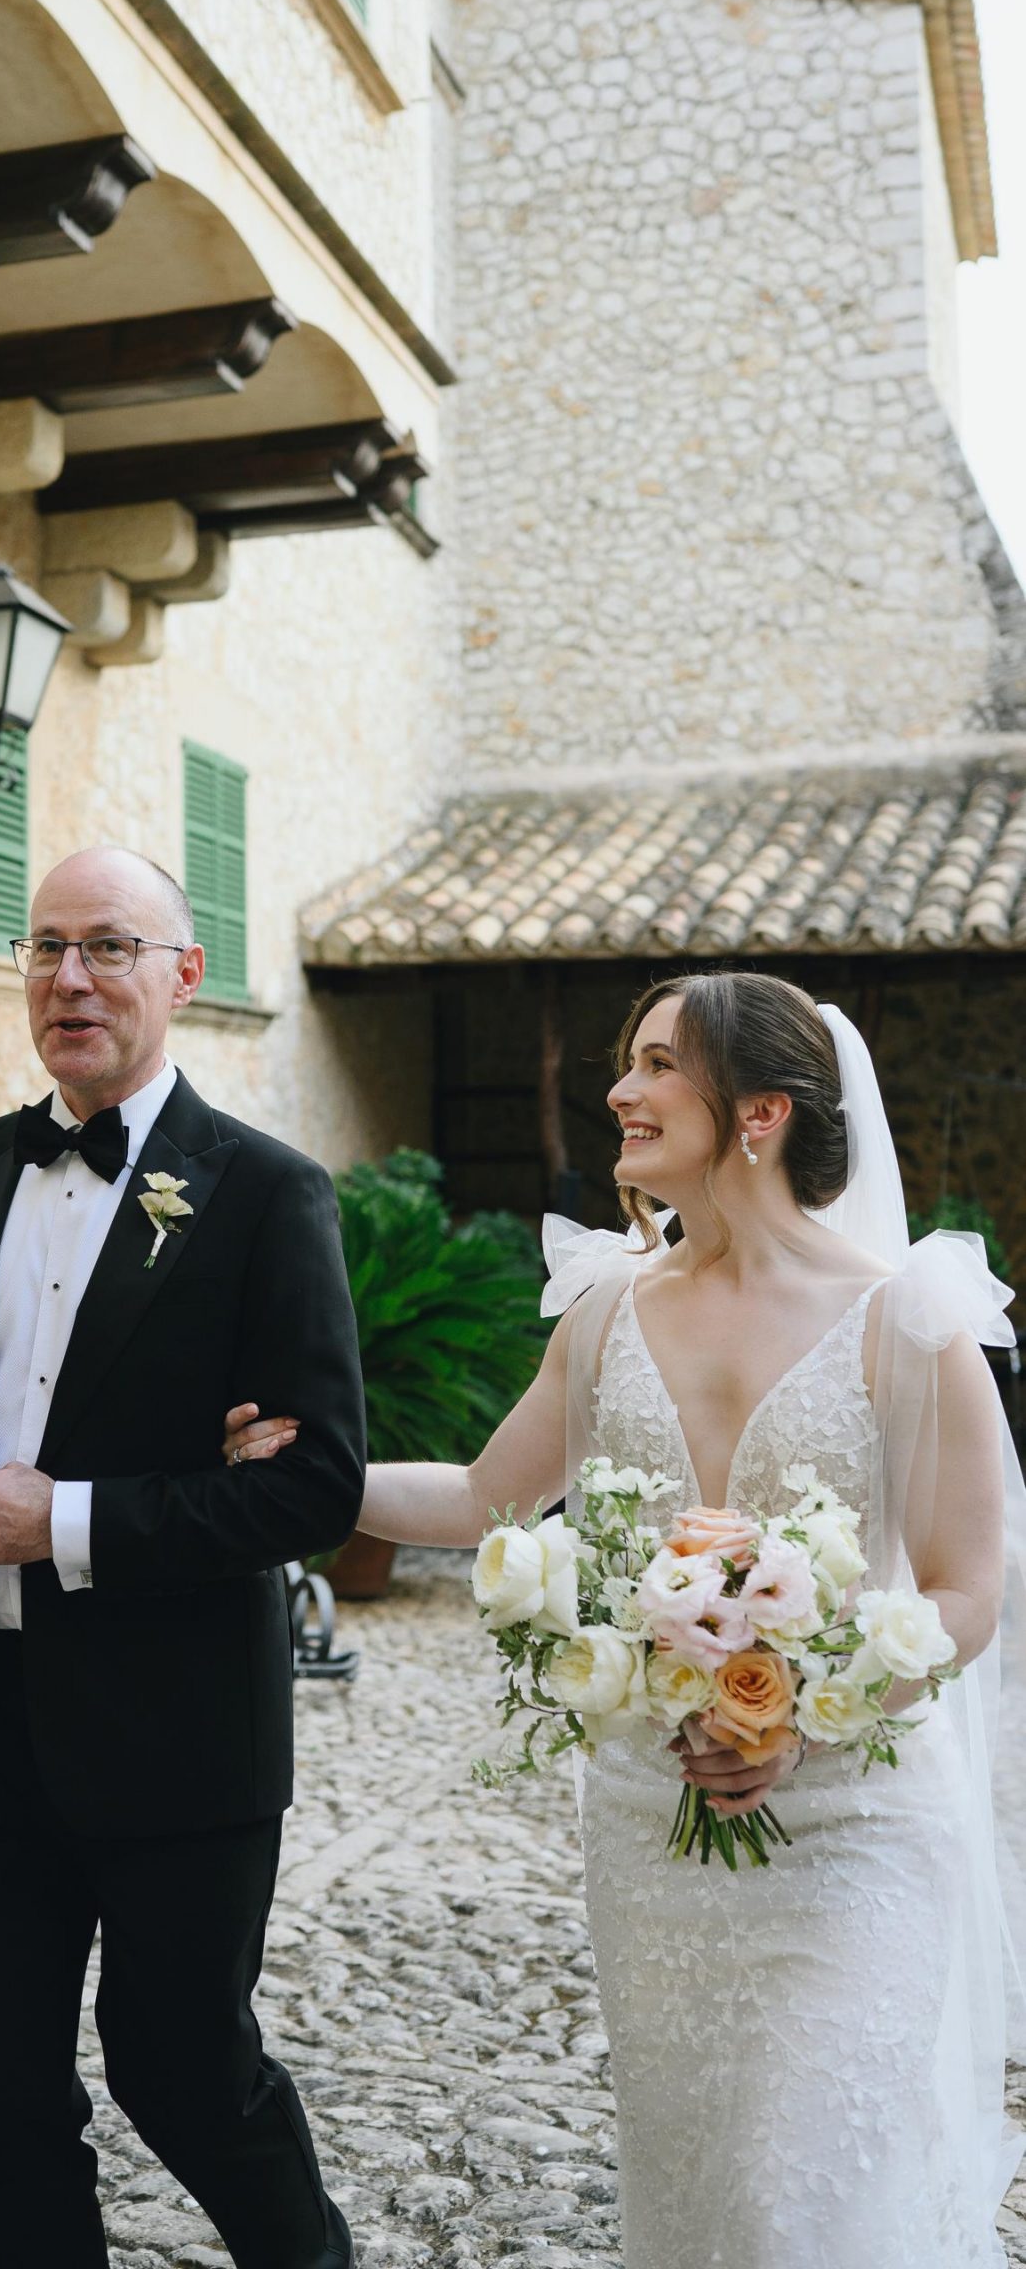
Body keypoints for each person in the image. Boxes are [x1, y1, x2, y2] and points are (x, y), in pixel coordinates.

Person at [227, 971, 1026, 2269]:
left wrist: (813, 1714)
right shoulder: (608, 1305)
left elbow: (964, 1592)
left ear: (758, 1112)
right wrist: (303, 1474)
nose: (620, 1090)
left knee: (793, 2197)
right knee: (699, 2184)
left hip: (853, 1833)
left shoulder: (909, 1318)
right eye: (628, 1061)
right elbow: (490, 1492)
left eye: (658, 1065)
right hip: (654, 1831)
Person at [0, 845, 365, 2269]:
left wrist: (63, 1521)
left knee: (187, 2073)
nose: (69, 977)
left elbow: (316, 1485)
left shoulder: (267, 1195)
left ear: (182, 976)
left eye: (110, 947)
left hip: (179, 1729)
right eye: (45, 947)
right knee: (0, 2089)